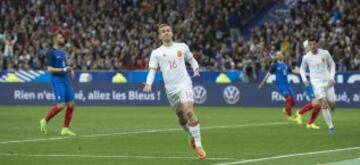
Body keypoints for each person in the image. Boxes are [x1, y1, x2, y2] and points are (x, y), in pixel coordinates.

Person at [143, 24, 206, 159]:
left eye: (168, 30)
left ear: (172, 33)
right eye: (163, 31)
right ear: (159, 36)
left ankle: (199, 144)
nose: (166, 33)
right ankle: (191, 136)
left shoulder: (182, 46)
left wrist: (196, 68)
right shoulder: (156, 53)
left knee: (188, 111)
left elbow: (191, 60)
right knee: (182, 118)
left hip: (184, 83)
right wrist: (148, 84)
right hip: (170, 90)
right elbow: (152, 71)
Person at [39, 32, 76, 136]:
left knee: (71, 104)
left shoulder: (62, 53)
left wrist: (70, 70)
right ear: (55, 40)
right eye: (60, 37)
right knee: (60, 106)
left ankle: (65, 129)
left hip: (66, 80)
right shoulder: (51, 53)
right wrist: (64, 69)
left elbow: (65, 66)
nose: (63, 39)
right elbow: (49, 69)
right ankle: (44, 120)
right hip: (57, 80)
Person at [300, 37, 336, 134]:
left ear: (317, 44)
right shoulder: (306, 57)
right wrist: (304, 79)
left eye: (314, 44)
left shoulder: (325, 53)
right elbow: (302, 69)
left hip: (327, 80)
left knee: (332, 104)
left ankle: (330, 104)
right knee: (323, 103)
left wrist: (331, 78)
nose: (312, 46)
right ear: (309, 46)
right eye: (310, 45)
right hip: (316, 83)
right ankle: (331, 127)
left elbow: (332, 65)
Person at [258, 51, 297, 121]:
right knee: (288, 98)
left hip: (287, 84)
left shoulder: (286, 65)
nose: (279, 56)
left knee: (294, 101)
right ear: (276, 57)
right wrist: (262, 83)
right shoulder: (275, 65)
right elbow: (268, 74)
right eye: (277, 55)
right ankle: (289, 117)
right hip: (280, 84)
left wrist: (304, 73)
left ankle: (286, 109)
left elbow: (293, 71)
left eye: (280, 54)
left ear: (282, 56)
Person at [294, 40, 321, 129]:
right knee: (315, 102)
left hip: (316, 82)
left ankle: (310, 123)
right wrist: (308, 74)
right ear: (306, 47)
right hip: (308, 82)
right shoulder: (303, 57)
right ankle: (300, 113)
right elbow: (296, 70)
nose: (311, 47)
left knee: (319, 103)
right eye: (309, 45)